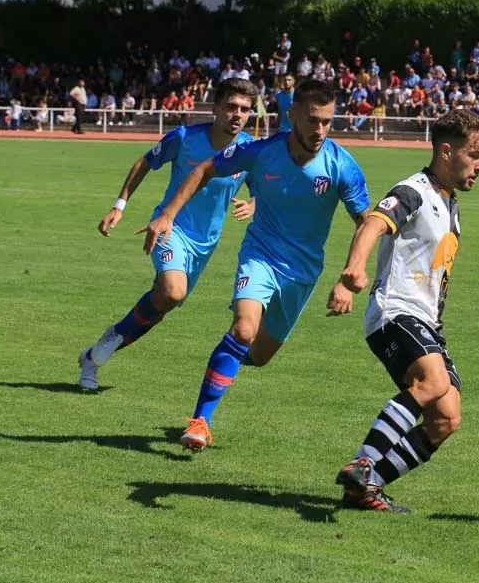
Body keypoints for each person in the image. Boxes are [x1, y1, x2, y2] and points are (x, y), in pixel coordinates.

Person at [138, 79, 370, 451]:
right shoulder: (263, 151)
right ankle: (201, 421)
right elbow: (204, 169)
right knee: (243, 329)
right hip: (259, 257)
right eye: (313, 120)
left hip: (303, 272)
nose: (320, 130)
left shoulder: (342, 165)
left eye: (328, 121)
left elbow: (367, 221)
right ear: (293, 115)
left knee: (258, 356)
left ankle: (221, 366)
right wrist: (167, 214)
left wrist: (349, 275)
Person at [327, 109, 479, 513]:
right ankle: (363, 461)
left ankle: (364, 488)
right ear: (446, 150)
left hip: (427, 322)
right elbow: (373, 223)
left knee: (446, 419)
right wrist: (354, 268)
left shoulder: (449, 203)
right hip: (395, 311)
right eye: (475, 155)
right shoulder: (413, 190)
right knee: (433, 383)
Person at [77, 78, 259, 390]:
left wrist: (253, 204)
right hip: (169, 227)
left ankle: (95, 354)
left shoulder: (249, 151)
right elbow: (145, 162)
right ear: (215, 108)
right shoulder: (185, 137)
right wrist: (119, 206)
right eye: (231, 107)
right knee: (172, 292)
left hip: (205, 243)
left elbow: (261, 187)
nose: (237, 114)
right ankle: (100, 353)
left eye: (244, 109)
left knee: (162, 303)